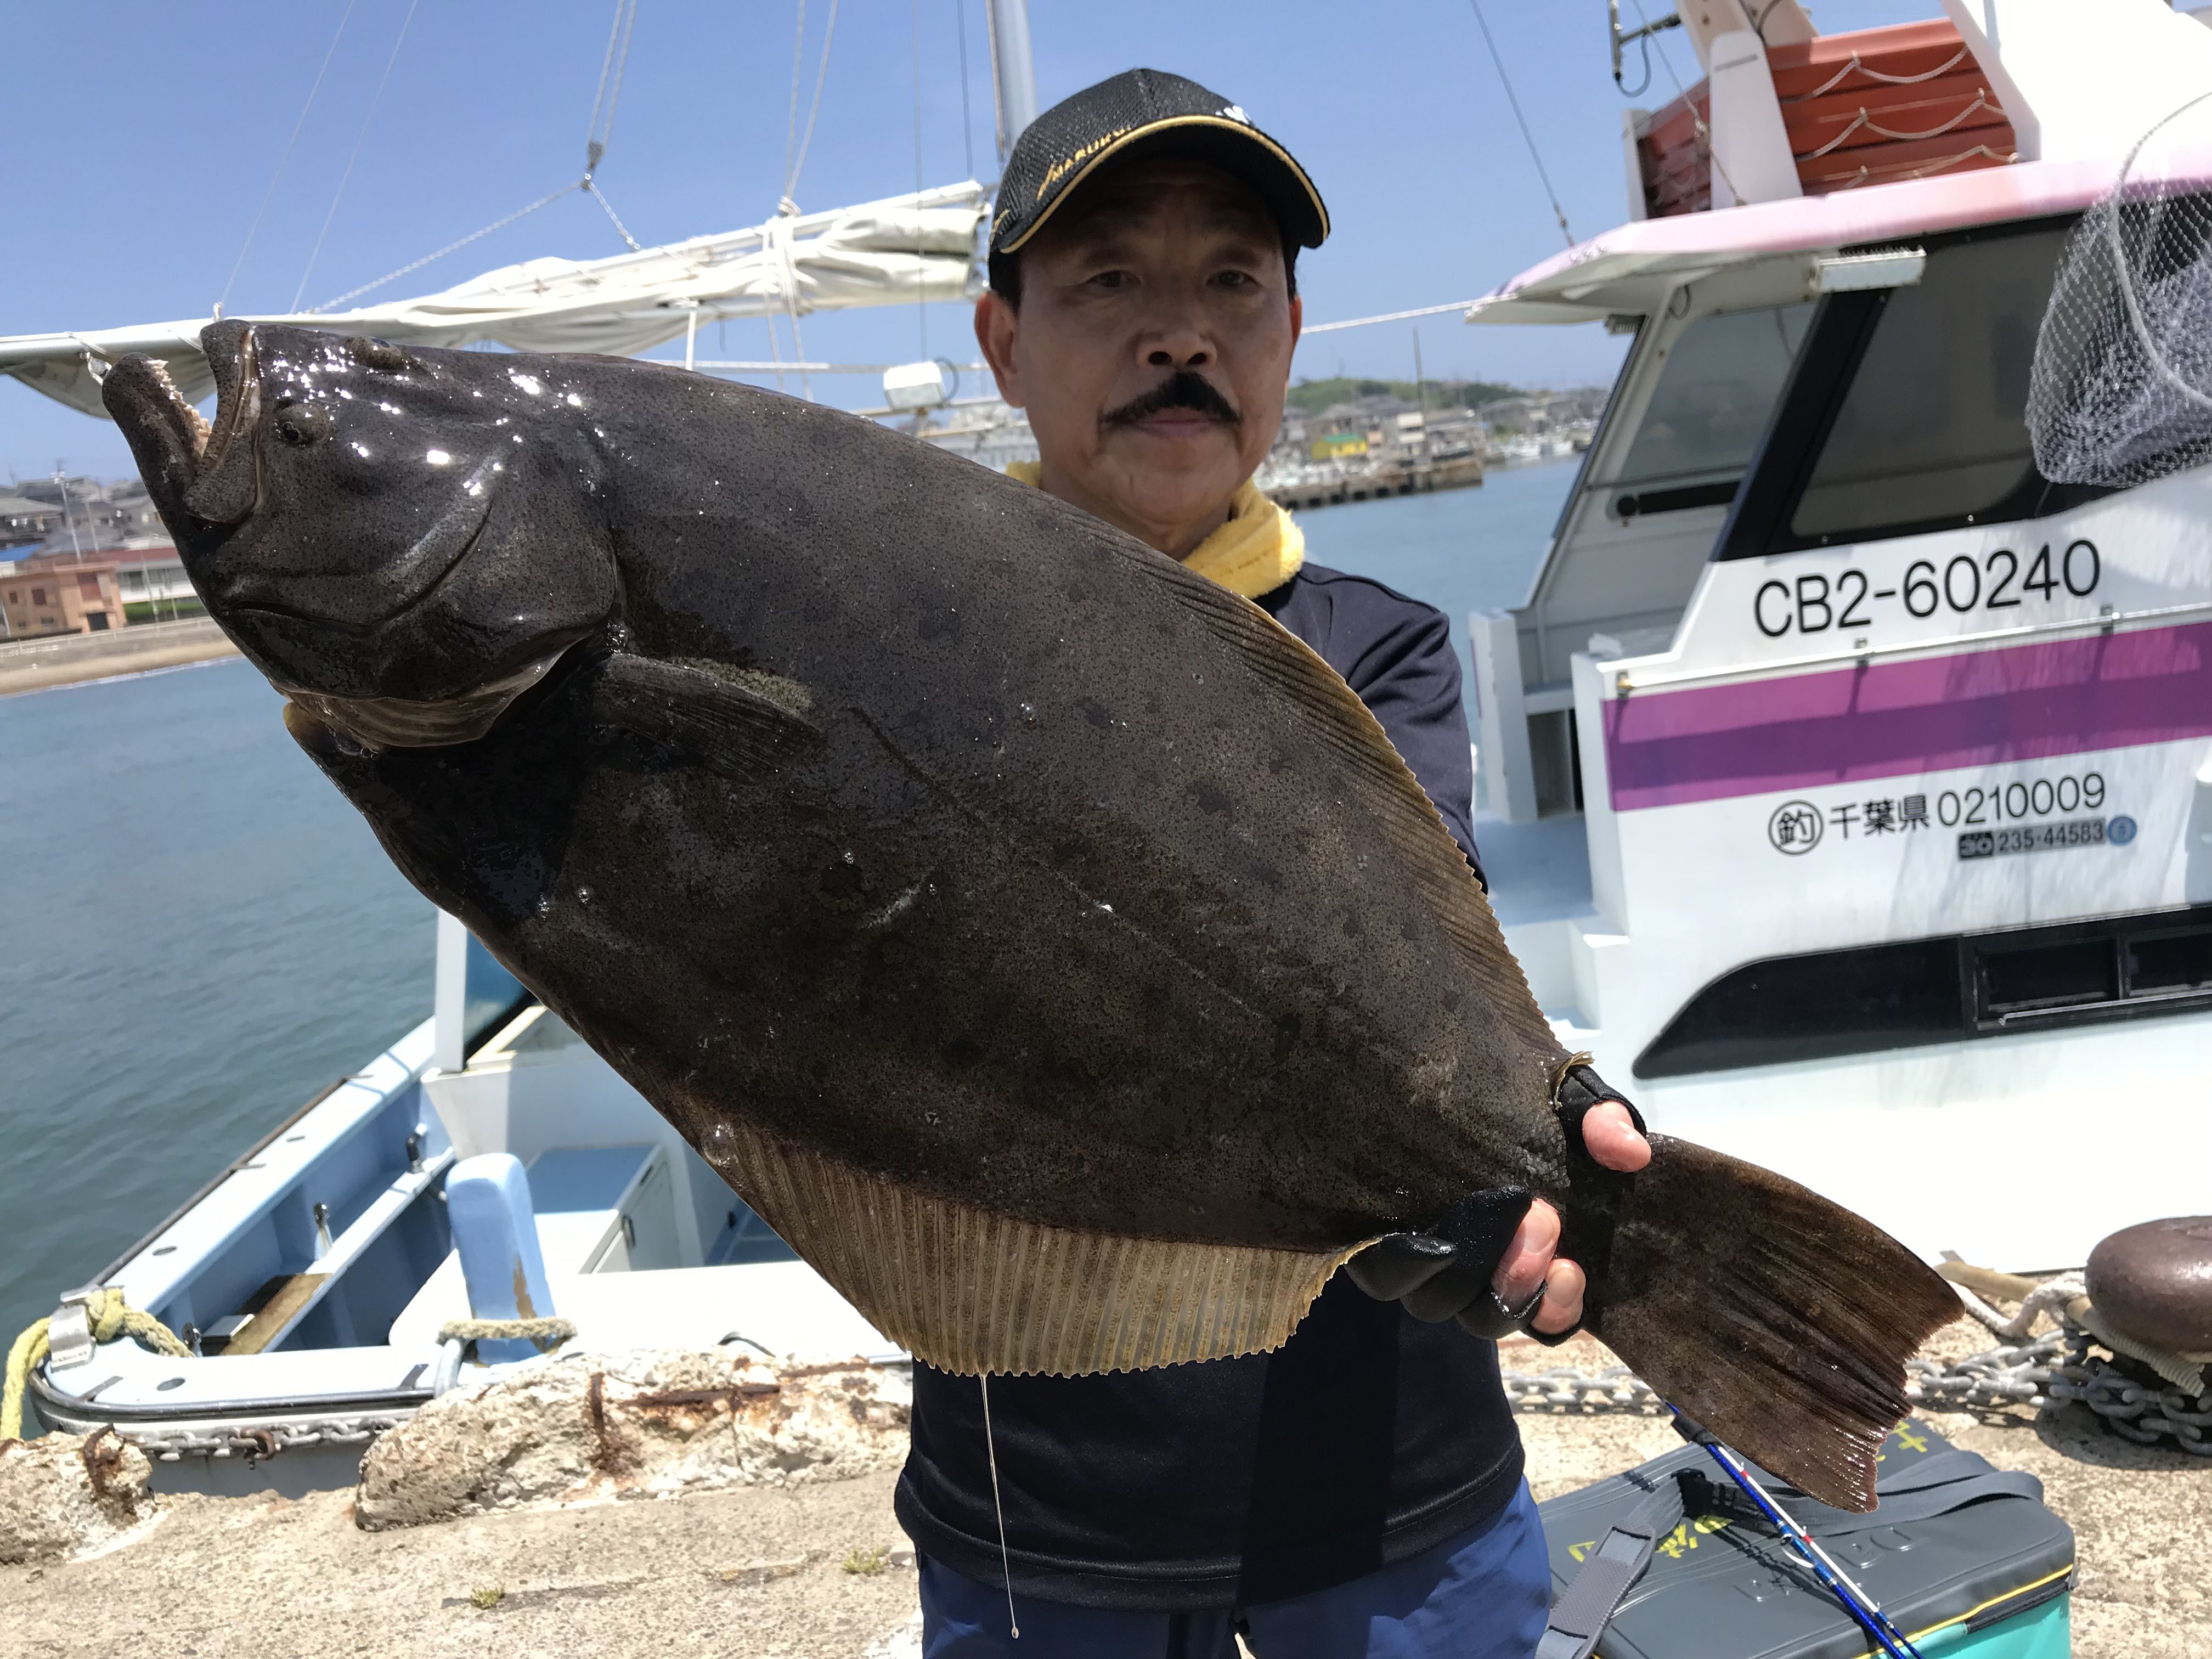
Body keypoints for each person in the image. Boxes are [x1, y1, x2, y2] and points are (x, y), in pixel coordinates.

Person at [895, 69, 1651, 1659]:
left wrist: (1532, 1116)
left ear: (1291, 338)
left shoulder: (1380, 651)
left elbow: (1405, 959)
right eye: (1111, 280)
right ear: (1004, 344)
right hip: (1041, 1494)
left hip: (1391, 1468)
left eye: (1233, 282)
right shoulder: (905, 656)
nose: (1182, 332)